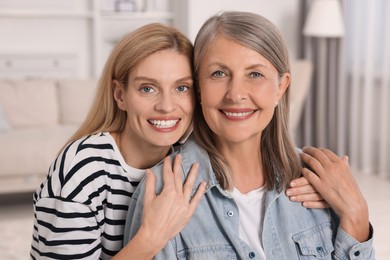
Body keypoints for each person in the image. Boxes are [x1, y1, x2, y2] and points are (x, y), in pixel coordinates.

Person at [123, 11, 375, 259]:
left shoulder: (323, 181)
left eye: (254, 74)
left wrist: (356, 217)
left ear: (281, 87)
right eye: (219, 73)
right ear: (199, 88)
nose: (235, 94)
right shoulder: (161, 191)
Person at [30, 23, 207, 260]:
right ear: (120, 95)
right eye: (147, 88)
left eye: (181, 87)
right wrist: (151, 237)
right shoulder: (83, 168)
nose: (166, 106)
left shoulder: (189, 164)